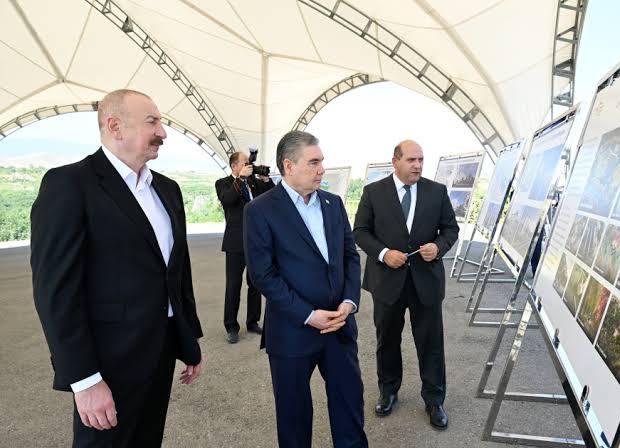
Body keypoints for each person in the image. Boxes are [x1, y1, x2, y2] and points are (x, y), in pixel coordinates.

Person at [30, 89, 203, 447]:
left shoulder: (167, 190)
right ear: (115, 127)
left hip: (160, 352)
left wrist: (189, 340)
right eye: (152, 122)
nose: (163, 132)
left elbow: (176, 271)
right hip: (106, 363)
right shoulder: (69, 184)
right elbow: (55, 292)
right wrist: (84, 379)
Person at [244, 131, 368, 447]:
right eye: (314, 162)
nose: (322, 169)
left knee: (350, 409)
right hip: (292, 331)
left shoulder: (333, 203)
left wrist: (349, 302)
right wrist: (309, 315)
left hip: (339, 327)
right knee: (294, 419)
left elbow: (350, 256)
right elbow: (263, 275)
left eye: (321, 161)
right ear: (289, 165)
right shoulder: (260, 210)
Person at [353, 139, 459, 429]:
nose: (418, 165)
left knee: (431, 343)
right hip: (387, 282)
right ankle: (388, 391)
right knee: (387, 339)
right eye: (412, 160)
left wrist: (438, 247)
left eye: (421, 160)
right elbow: (360, 231)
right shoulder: (373, 192)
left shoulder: (436, 191)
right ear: (395, 161)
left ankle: (434, 400)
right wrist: (384, 254)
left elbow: (450, 229)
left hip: (426, 282)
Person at [215, 151, 273, 344]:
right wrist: (240, 179)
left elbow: (272, 197)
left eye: (250, 163)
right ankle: (231, 326)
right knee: (233, 285)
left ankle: (253, 321)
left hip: (256, 241)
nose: (249, 166)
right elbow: (227, 200)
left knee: (255, 283)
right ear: (234, 166)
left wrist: (265, 180)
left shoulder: (254, 183)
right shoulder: (223, 183)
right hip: (235, 243)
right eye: (245, 163)